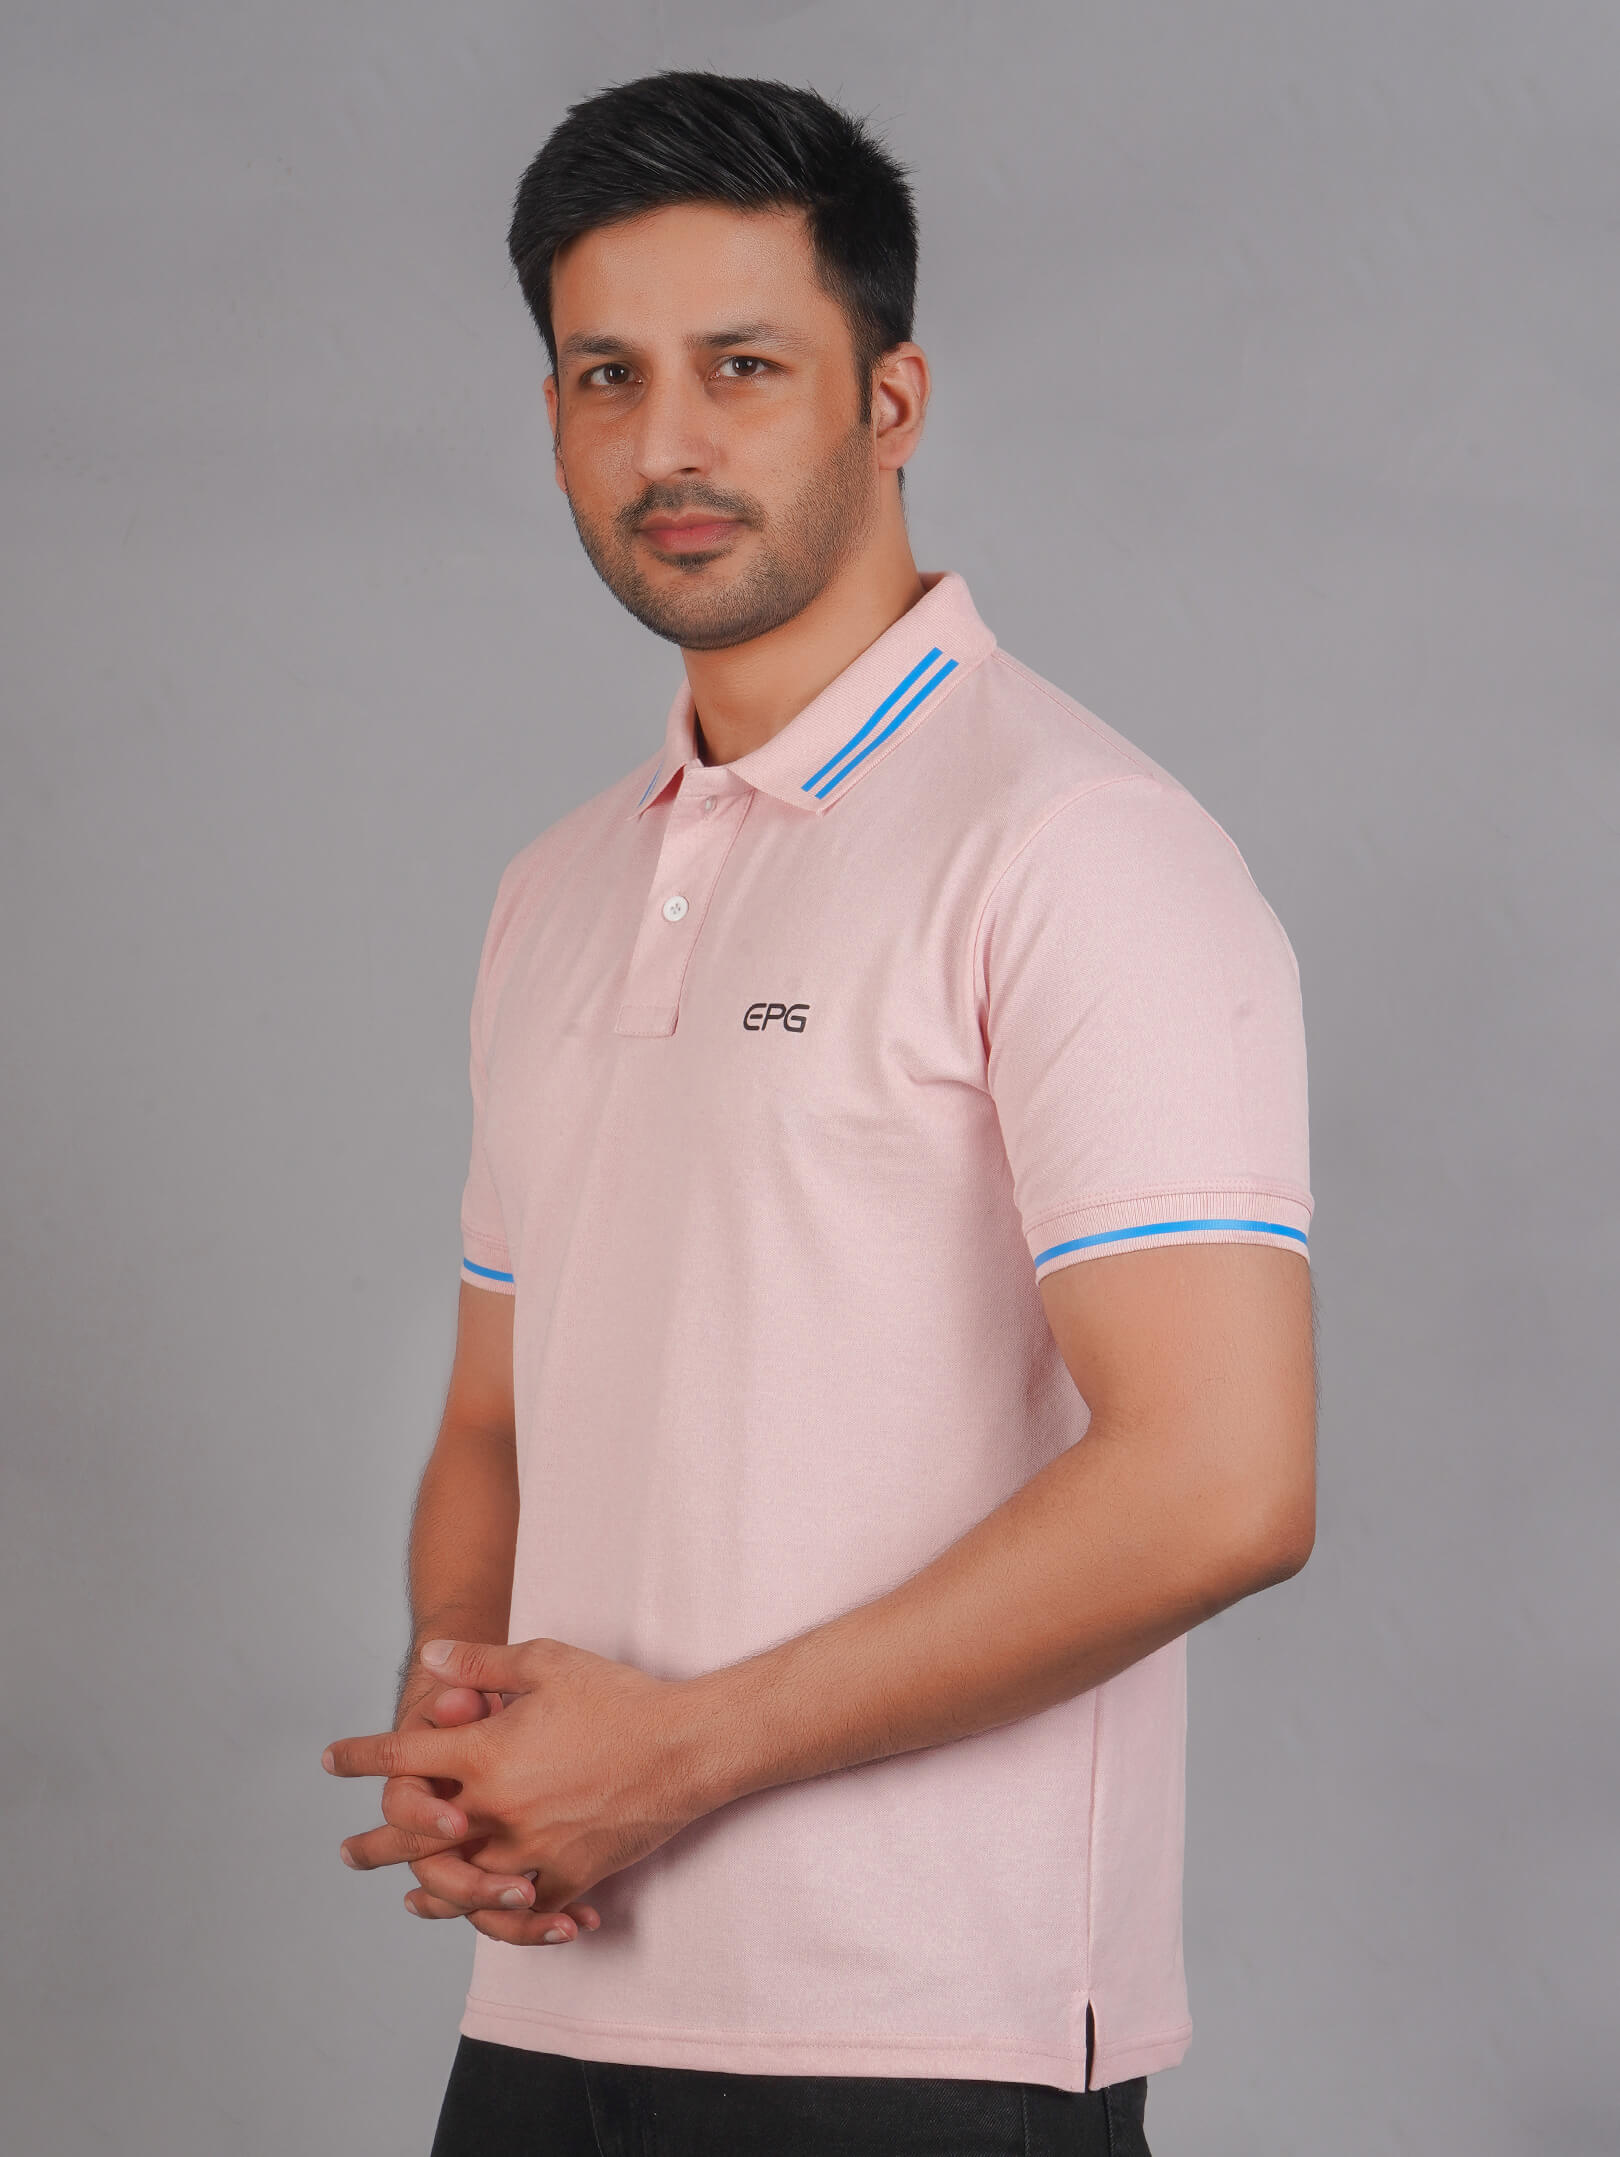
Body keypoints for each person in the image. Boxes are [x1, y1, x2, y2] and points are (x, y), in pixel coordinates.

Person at [320, 68, 1318, 2157]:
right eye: (608, 374)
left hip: (920, 2043)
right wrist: (466, 1710)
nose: (667, 442)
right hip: (555, 2005)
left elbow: (1222, 1479)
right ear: (552, 415)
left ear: (892, 398)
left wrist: (670, 1754)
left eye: (745, 366)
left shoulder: (1078, 844)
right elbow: (497, 1415)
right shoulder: (555, 888)